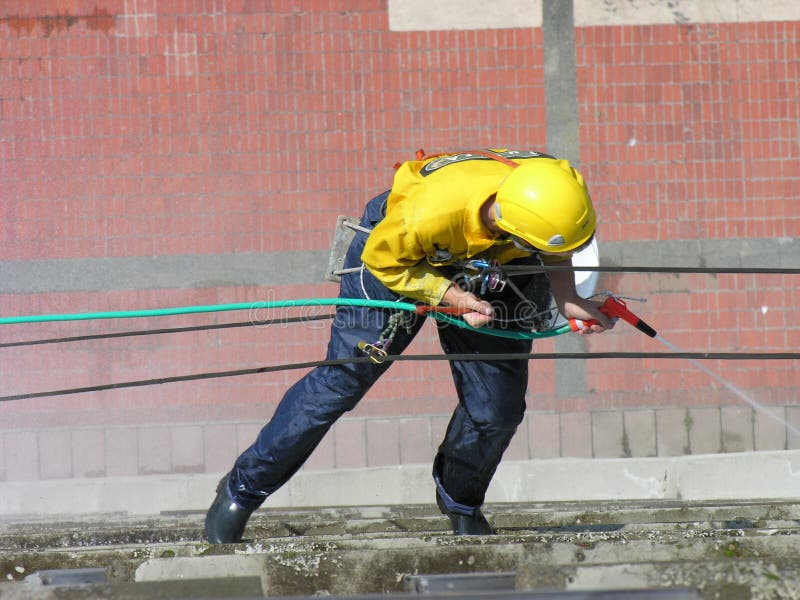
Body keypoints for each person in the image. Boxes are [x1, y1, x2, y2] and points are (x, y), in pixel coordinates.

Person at [205, 149, 612, 542]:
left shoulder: (553, 187)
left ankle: (461, 502)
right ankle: (242, 489)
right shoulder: (427, 214)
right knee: (342, 381)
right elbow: (386, 261)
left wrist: (568, 296)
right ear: (506, 223)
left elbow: (554, 246)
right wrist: (452, 296)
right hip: (397, 256)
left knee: (497, 410)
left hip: (495, 259)